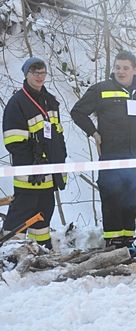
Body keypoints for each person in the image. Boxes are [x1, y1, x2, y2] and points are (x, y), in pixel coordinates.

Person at [71, 51, 136, 248]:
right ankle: (112, 239)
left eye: (125, 68)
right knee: (111, 194)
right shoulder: (101, 89)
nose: (121, 71)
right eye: (117, 67)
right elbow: (78, 112)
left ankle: (128, 237)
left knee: (130, 195)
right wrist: (94, 133)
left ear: (134, 70)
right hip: (111, 152)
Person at [1, 57, 67, 249]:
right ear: (26, 74)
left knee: (44, 212)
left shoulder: (51, 101)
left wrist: (60, 161)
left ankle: (41, 249)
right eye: (34, 72)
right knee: (22, 212)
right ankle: (11, 252)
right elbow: (13, 141)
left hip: (50, 171)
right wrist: (32, 165)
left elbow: (58, 135)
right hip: (30, 174)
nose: (39, 77)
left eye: (42, 72)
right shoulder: (17, 103)